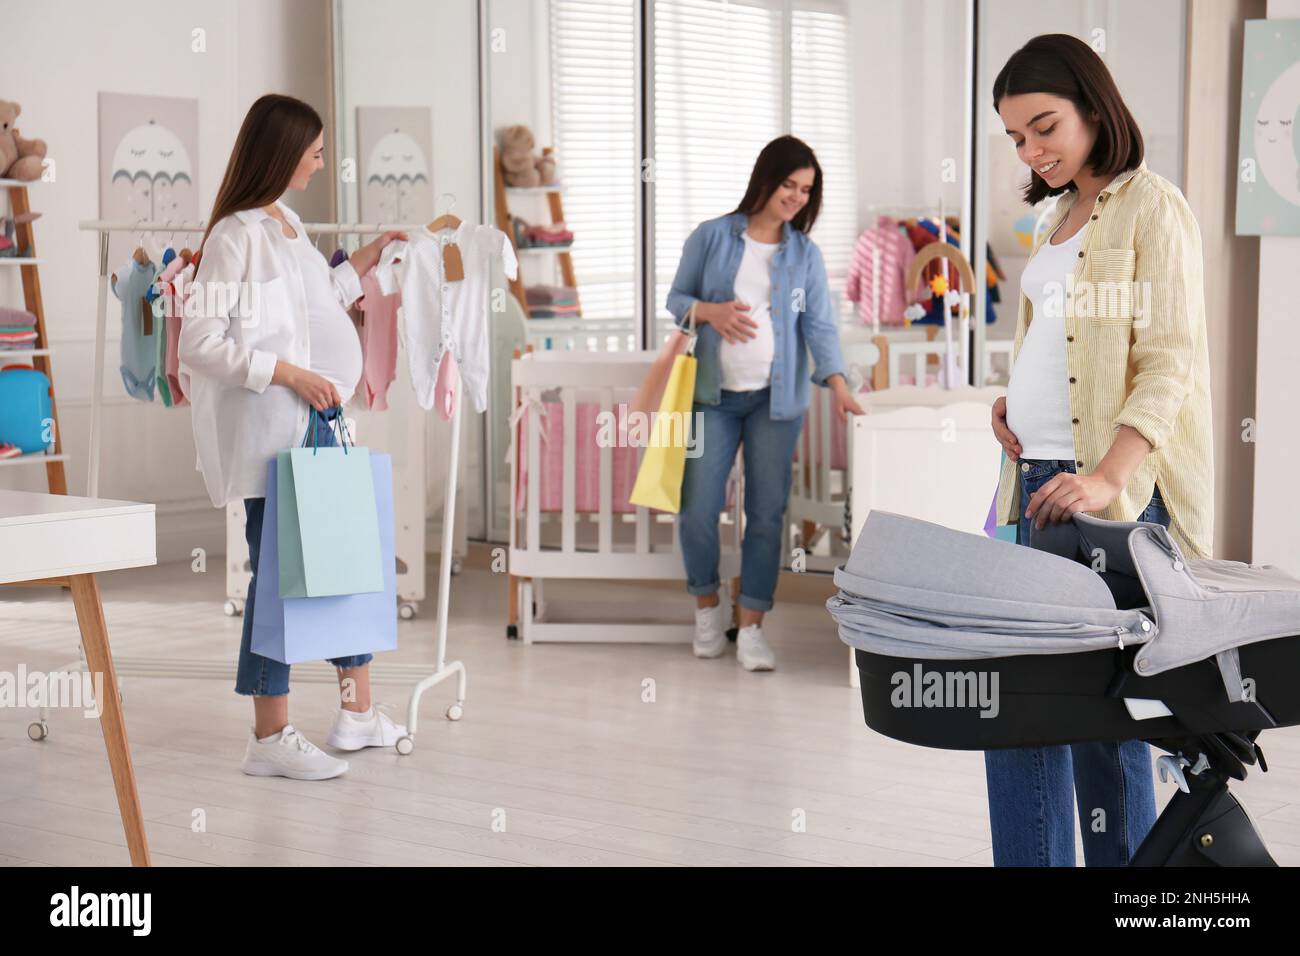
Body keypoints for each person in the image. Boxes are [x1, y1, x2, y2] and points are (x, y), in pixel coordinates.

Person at [987, 35, 1215, 865]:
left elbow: (1170, 359)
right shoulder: (1054, 216)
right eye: (1015, 138)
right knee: (1016, 714)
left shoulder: (1153, 206)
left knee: (1099, 720)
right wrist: (1015, 404)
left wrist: (1108, 476)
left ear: (1094, 106)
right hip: (1034, 479)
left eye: (1043, 126)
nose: (1031, 150)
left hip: (1105, 493)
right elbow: (1059, 340)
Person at [179, 93, 408, 780]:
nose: (319, 157)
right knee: (280, 582)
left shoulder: (287, 222)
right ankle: (270, 737)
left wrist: (364, 259)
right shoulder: (234, 236)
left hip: (322, 425)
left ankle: (357, 713)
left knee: (345, 565)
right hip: (276, 431)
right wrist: (291, 375)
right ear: (281, 150)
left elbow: (314, 307)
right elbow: (201, 342)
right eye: (312, 147)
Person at [666, 135, 864, 672]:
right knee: (699, 508)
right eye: (789, 184)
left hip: (777, 404)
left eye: (806, 190)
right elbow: (676, 301)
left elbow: (820, 326)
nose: (797, 196)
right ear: (765, 179)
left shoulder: (805, 253)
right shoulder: (711, 237)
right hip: (712, 397)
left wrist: (840, 384)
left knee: (767, 514)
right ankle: (709, 608)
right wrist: (710, 312)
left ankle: (751, 625)